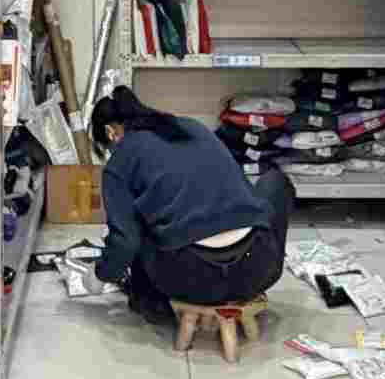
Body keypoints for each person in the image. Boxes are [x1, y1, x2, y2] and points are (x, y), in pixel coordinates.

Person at [86, 86, 294, 328]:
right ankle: (264, 259)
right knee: (275, 182)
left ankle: (150, 301)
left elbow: (126, 241)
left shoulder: (120, 161)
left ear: (111, 132)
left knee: (136, 217)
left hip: (190, 281)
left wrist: (99, 275)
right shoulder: (192, 127)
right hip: (258, 269)